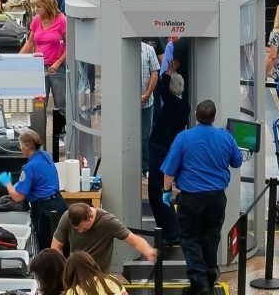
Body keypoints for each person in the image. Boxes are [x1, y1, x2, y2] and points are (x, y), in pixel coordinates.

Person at [160, 100, 244, 295]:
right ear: (214, 117)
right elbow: (237, 162)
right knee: (210, 238)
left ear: (196, 114)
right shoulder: (226, 137)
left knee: (190, 240)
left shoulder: (183, 138)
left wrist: (166, 191)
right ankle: (209, 277)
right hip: (216, 199)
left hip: (190, 199)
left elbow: (169, 170)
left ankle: (200, 285)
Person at [53, 200, 158, 271]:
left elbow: (135, 240)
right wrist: (65, 269)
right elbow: (56, 246)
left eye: (83, 228)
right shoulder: (66, 217)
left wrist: (148, 250)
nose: (80, 231)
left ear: (91, 216)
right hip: (75, 272)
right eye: (76, 229)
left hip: (99, 274)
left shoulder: (108, 222)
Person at [10, 127, 66, 252]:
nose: (20, 148)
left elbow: (18, 197)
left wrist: (7, 183)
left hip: (44, 211)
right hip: (59, 204)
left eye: (20, 145)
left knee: (46, 249)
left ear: (26, 146)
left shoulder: (29, 167)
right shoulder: (45, 156)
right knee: (61, 244)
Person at [29, 0, 68, 70]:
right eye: (35, 6)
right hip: (39, 65)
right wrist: (17, 58)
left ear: (47, 7)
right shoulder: (36, 19)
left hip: (58, 67)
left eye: (39, 7)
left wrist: (58, 62)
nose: (36, 9)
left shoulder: (62, 20)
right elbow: (30, 43)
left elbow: (70, 46)